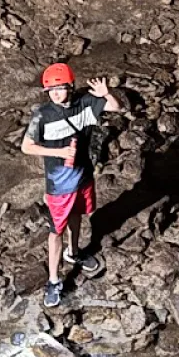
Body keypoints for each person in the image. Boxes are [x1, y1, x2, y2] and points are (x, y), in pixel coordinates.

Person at [21, 62, 124, 308]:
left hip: (82, 176)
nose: (56, 94)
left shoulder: (84, 104)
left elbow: (116, 108)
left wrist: (106, 93)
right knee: (56, 231)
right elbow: (26, 147)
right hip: (58, 185)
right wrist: (57, 152)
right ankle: (53, 280)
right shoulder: (42, 115)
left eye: (60, 88)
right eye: (51, 90)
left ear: (70, 87)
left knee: (77, 215)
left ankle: (74, 252)